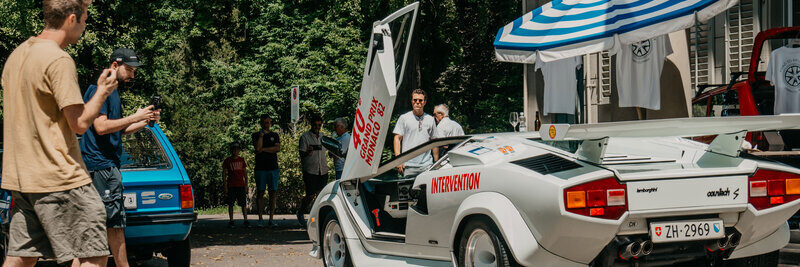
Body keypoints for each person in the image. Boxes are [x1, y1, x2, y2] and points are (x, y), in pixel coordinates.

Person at [1, 1, 114, 266]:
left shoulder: (17, 55)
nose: (85, 26)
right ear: (71, 19)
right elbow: (80, 123)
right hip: (59, 177)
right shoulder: (58, 58)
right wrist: (102, 92)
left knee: (21, 257)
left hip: (23, 178)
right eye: (85, 20)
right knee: (94, 253)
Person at [78, 48, 156, 267]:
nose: (132, 75)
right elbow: (101, 127)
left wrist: (145, 121)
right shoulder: (100, 91)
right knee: (114, 225)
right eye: (129, 69)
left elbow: (116, 130)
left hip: (102, 166)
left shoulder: (110, 93)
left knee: (96, 228)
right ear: (114, 66)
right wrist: (135, 115)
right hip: (102, 167)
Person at [393, 89, 439, 178]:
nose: (417, 102)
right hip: (408, 165)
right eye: (415, 100)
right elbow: (397, 138)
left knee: (426, 191)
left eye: (420, 100)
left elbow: (434, 142)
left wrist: (436, 163)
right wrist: (398, 160)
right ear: (411, 101)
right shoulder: (404, 118)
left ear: (424, 102)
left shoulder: (430, 119)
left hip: (426, 165)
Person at [297, 115, 328, 227]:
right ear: (311, 124)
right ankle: (301, 212)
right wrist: (308, 152)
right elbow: (301, 154)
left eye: (319, 125)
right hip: (310, 170)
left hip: (323, 170)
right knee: (310, 195)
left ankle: (317, 218)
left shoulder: (323, 137)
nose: (317, 127)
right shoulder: (305, 137)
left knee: (321, 195)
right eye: (315, 125)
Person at [251, 115, 281, 227]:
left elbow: (277, 148)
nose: (266, 124)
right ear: (261, 123)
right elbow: (257, 148)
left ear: (270, 123)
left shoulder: (275, 135)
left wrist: (263, 149)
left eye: (268, 122)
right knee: (260, 192)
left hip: (273, 168)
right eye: (264, 122)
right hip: (260, 168)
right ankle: (260, 219)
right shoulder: (255, 135)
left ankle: (271, 219)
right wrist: (261, 136)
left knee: (273, 192)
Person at [222, 142, 249, 228]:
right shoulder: (227, 160)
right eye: (234, 149)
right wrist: (225, 186)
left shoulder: (241, 160)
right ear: (231, 150)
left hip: (241, 184)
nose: (235, 151)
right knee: (231, 204)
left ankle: (246, 220)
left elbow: (245, 174)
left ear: (239, 150)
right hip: (231, 185)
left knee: (243, 204)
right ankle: (231, 220)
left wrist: (246, 185)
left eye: (237, 149)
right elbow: (224, 174)